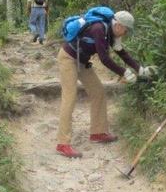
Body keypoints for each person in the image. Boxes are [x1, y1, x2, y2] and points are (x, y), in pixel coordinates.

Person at [56, 10, 155, 158]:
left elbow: (122, 53)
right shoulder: (99, 29)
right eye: (126, 29)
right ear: (119, 25)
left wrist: (140, 69)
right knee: (69, 97)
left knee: (98, 92)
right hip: (68, 58)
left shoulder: (111, 32)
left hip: (82, 61)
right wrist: (124, 72)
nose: (126, 33)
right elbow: (104, 58)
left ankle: (98, 133)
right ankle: (62, 144)